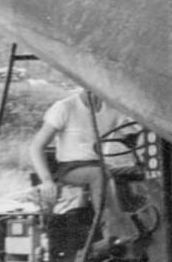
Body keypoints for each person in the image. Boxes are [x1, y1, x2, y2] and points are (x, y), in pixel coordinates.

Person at [28, 86, 137, 221]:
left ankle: (139, 219)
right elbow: (36, 147)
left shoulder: (113, 109)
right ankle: (112, 228)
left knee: (135, 172)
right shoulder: (65, 107)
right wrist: (47, 181)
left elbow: (132, 133)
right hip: (70, 169)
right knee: (99, 174)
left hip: (100, 165)